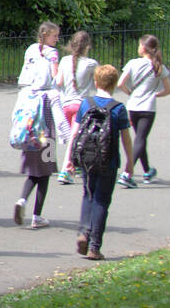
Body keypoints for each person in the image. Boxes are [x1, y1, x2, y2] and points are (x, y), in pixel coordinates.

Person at [75, 65, 134, 260]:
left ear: (95, 82)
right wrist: (130, 163)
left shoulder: (86, 104)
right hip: (108, 160)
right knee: (102, 200)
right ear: (116, 84)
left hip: (87, 158)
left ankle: (83, 232)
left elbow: (76, 133)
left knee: (87, 194)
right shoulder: (119, 108)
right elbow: (126, 138)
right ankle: (94, 247)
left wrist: (69, 158)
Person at [13, 21, 64, 228]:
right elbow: (56, 78)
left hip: (29, 124)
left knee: (33, 169)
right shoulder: (52, 54)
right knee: (46, 169)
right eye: (55, 36)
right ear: (46, 35)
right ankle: (36, 215)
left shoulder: (31, 50)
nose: (57, 40)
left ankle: (22, 200)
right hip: (46, 125)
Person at [117, 35, 170, 187]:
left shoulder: (133, 63)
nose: (138, 47)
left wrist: (130, 93)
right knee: (140, 139)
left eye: (139, 45)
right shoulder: (158, 66)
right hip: (148, 108)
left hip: (133, 106)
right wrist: (155, 94)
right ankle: (128, 173)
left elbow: (121, 83)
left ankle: (147, 170)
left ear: (144, 48)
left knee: (140, 139)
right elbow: (168, 90)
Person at [56, 31, 98, 185]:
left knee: (76, 137)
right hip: (81, 105)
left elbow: (59, 81)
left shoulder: (64, 61)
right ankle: (66, 169)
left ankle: (77, 165)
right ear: (87, 46)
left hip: (66, 105)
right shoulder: (91, 63)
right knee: (76, 138)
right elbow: (99, 80)